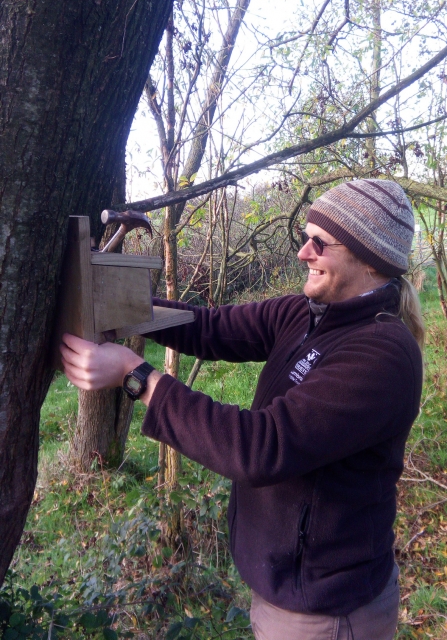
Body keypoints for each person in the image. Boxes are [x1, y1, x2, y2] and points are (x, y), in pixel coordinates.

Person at [61, 179, 424, 640]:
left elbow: (261, 448)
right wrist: (122, 305)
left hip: (325, 612)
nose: (302, 254)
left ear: (370, 258)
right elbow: (211, 328)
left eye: (319, 243)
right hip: (284, 590)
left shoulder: (383, 353)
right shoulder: (307, 312)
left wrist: (137, 377)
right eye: (304, 238)